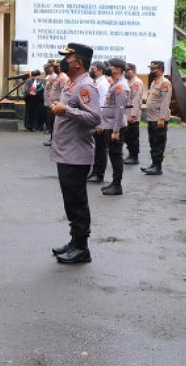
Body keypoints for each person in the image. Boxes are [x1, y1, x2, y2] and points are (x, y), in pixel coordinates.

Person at [50, 43, 101, 264]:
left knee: (77, 202)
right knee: (70, 201)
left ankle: (82, 248)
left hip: (76, 154)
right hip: (65, 152)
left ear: (78, 61)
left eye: (68, 58)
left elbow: (95, 118)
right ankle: (74, 242)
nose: (64, 61)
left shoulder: (85, 86)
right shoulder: (72, 84)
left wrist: (66, 110)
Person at [97, 58, 130, 196]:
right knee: (113, 154)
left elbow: (119, 109)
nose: (108, 68)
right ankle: (114, 182)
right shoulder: (116, 84)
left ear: (117, 69)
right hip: (109, 124)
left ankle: (117, 185)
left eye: (110, 66)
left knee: (116, 156)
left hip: (114, 127)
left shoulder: (121, 87)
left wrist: (115, 131)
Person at [142, 60, 172, 175]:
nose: (151, 71)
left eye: (153, 69)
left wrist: (162, 118)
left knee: (158, 142)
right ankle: (153, 164)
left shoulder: (165, 83)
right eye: (151, 69)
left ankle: (158, 167)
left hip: (158, 119)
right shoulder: (155, 82)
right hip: (151, 118)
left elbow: (165, 101)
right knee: (152, 142)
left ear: (160, 69)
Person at [87, 61, 110, 183]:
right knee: (96, 148)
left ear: (100, 71)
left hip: (100, 120)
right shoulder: (97, 83)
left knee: (101, 148)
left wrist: (101, 123)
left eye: (93, 69)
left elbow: (103, 104)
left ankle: (99, 173)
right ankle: (95, 171)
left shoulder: (102, 84)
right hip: (95, 119)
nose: (92, 70)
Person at [45, 59, 69, 147]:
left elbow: (64, 92)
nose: (56, 68)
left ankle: (56, 141)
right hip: (53, 104)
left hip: (58, 104)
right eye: (54, 67)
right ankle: (53, 139)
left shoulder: (63, 77)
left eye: (57, 67)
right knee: (52, 123)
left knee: (56, 124)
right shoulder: (57, 77)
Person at [123, 63, 143, 165]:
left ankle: (134, 156)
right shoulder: (128, 82)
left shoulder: (136, 83)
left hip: (132, 114)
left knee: (133, 136)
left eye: (128, 70)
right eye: (125, 70)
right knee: (127, 136)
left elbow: (136, 99)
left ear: (133, 71)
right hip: (126, 113)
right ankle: (130, 154)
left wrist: (133, 115)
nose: (126, 72)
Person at [42, 60, 57, 136]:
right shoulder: (48, 76)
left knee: (51, 120)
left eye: (48, 67)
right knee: (48, 118)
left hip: (51, 102)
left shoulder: (54, 76)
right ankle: (51, 135)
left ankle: (52, 137)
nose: (47, 69)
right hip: (47, 101)